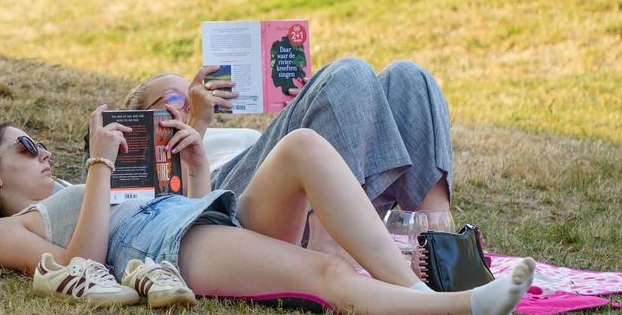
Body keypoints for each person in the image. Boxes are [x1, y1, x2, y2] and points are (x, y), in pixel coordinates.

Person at [0, 104, 536, 315]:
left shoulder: (78, 185)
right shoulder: (3, 230)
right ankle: (458, 308)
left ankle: (415, 289)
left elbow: (184, 208)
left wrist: (197, 167)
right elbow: (82, 265)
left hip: (201, 216)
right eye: (27, 147)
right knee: (324, 276)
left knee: (303, 145)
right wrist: (100, 165)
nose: (43, 153)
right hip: (159, 249)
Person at [125, 58, 453, 219]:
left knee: (408, 77)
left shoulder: (235, 136)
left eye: (192, 92)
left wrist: (309, 107)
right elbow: (176, 219)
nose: (191, 101)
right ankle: (331, 247)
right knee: (349, 72)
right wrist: (196, 124)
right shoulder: (143, 162)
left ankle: (440, 244)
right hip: (225, 203)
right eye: (175, 98)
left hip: (287, 185)